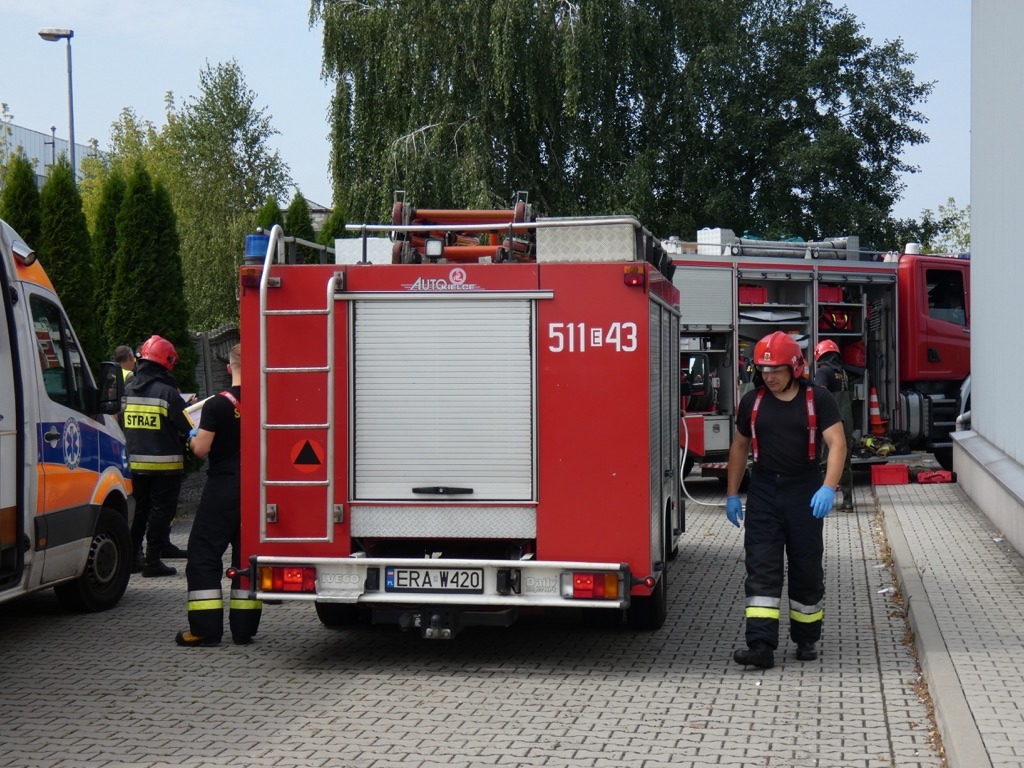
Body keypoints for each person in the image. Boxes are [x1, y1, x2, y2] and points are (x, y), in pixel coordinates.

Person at [725, 331, 847, 670]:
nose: (769, 377)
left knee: (806, 566)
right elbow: (739, 447)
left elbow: (837, 444)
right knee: (761, 566)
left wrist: (828, 486)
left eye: (776, 370)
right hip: (764, 489)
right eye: (763, 370)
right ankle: (761, 645)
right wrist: (732, 493)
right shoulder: (752, 402)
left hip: (804, 490)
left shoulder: (818, 399)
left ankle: (806, 637)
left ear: (795, 367)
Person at [175, 344, 262, 647]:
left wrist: (191, 438)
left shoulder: (216, 405)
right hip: (258, 488)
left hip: (224, 486)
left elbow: (201, 449)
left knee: (202, 553)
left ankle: (205, 629)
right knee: (246, 555)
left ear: (229, 367)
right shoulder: (267, 401)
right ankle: (244, 630)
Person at [124, 335, 191, 577]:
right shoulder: (168, 393)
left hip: (133, 466)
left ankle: (132, 559)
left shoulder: (127, 389)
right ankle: (153, 561)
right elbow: (188, 428)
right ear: (167, 361)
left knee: (139, 512)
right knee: (161, 513)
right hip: (165, 467)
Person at [812, 340, 855, 511]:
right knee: (845, 462)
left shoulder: (823, 371)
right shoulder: (843, 373)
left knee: (824, 462)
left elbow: (818, 396)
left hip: (831, 424)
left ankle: (821, 503)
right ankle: (847, 501)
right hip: (847, 423)